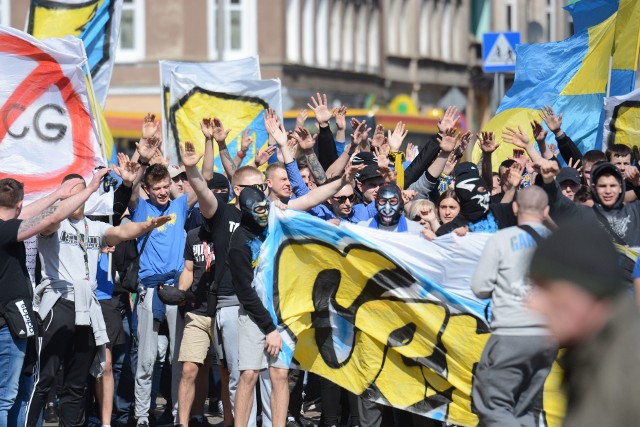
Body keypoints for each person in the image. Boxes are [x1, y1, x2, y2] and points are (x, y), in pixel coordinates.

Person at [26, 172, 171, 427]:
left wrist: (146, 226)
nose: (75, 198)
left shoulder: (94, 226)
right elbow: (47, 221)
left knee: (77, 381)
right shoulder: (53, 224)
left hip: (87, 308)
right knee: (45, 377)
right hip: (58, 303)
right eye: (70, 192)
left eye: (80, 192)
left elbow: (121, 232)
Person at [229, 162, 364, 427]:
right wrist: (269, 329)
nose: (261, 215)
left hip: (284, 312)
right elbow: (245, 293)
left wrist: (341, 181)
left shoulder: (276, 215)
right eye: (255, 212)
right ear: (244, 212)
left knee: (279, 375)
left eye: (263, 210)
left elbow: (311, 198)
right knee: (248, 375)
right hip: (255, 316)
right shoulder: (239, 243)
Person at [0, 175, 111, 426]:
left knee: (21, 389)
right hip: (7, 323)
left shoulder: (7, 223)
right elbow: (49, 219)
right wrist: (91, 188)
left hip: (16, 320)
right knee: (6, 397)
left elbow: (30, 213)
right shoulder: (6, 230)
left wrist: (58, 194)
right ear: (18, 205)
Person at [527, 220, 640, 427]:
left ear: (586, 288)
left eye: (547, 288)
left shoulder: (629, 369)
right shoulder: (594, 354)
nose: (533, 305)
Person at [470, 187, 557, 426]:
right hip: (547, 338)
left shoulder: (501, 239)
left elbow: (480, 287)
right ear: (546, 211)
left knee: (493, 406)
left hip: (511, 333)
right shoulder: (559, 244)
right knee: (525, 408)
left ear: (515, 208)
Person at [359, 183, 423, 233]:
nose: (387, 208)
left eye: (392, 201)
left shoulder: (416, 231)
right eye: (383, 201)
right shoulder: (362, 229)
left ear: (400, 203)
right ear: (376, 204)